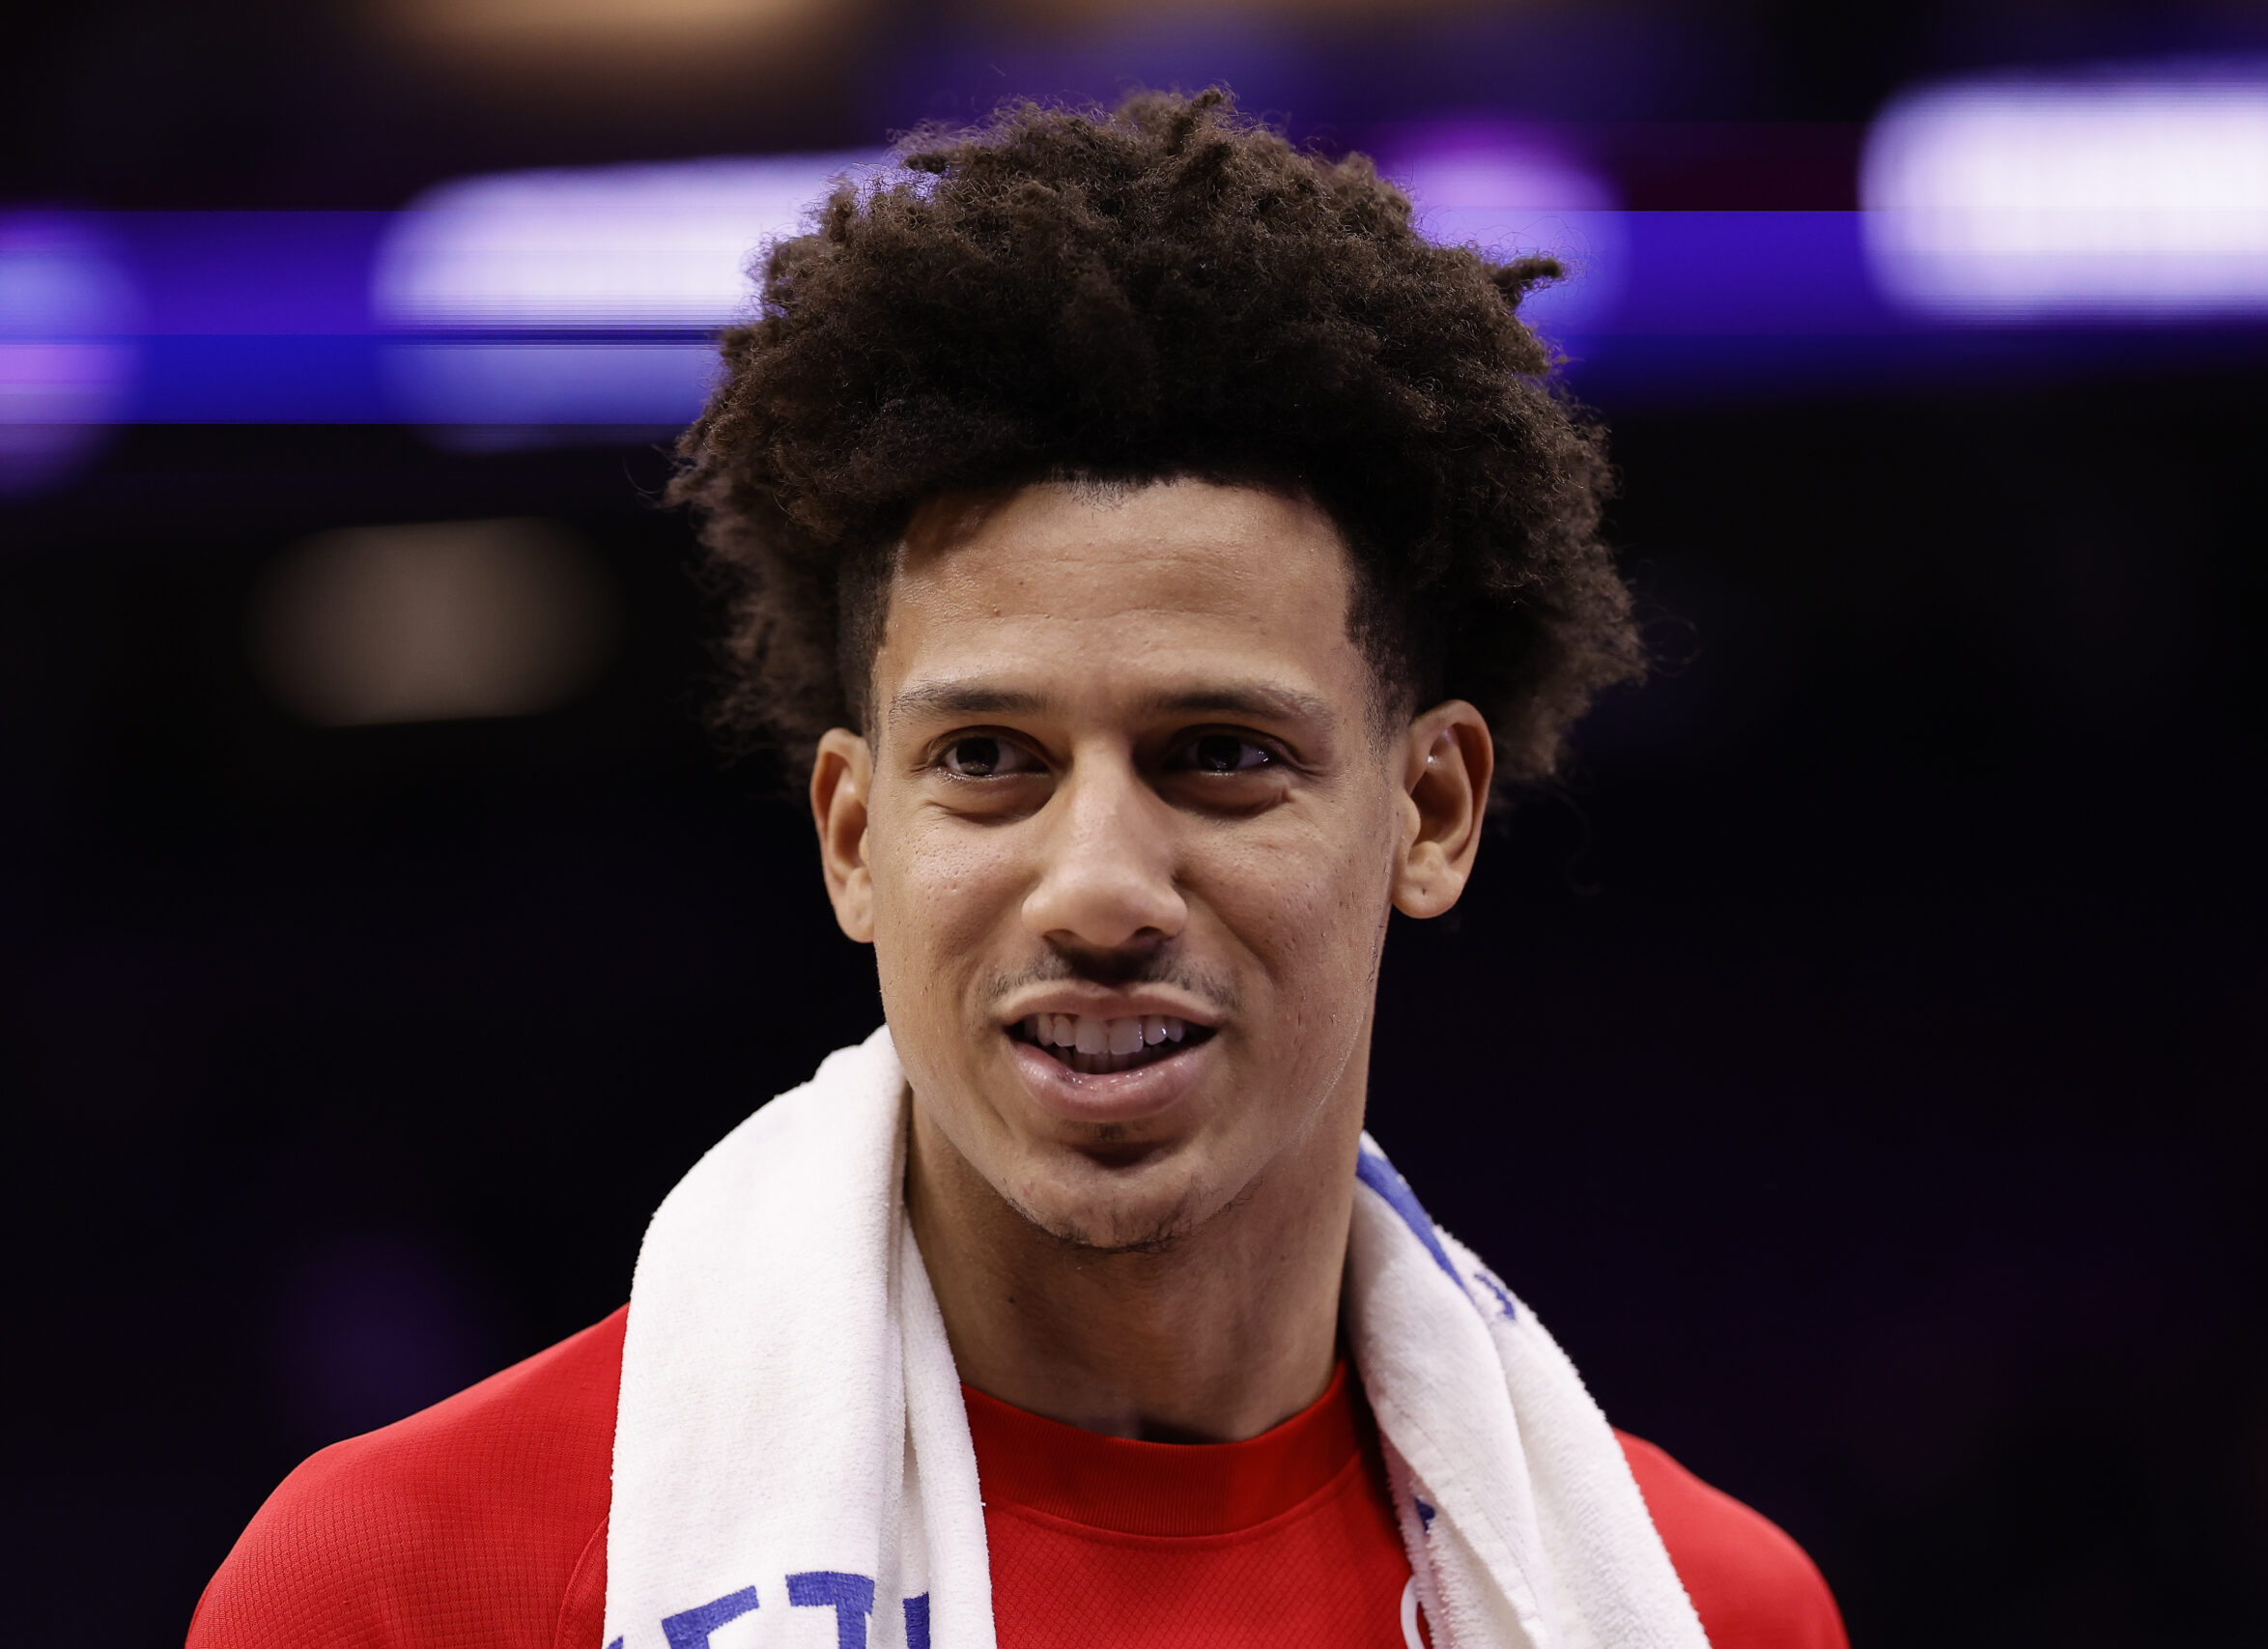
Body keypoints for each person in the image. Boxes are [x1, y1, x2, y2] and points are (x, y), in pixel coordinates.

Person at [189, 91, 1847, 1649]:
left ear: (1431, 812)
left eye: (1219, 755)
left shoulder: (1715, 1611)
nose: (1099, 890)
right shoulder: (407, 1584)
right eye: (988, 762)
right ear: (853, 836)